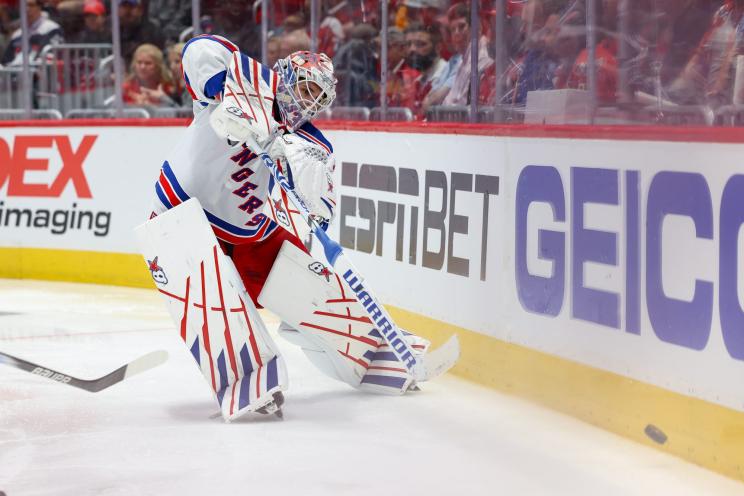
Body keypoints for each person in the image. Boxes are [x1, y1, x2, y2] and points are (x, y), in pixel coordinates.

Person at [146, 34, 433, 418]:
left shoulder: (312, 146)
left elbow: (318, 209)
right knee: (212, 296)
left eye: (318, 95)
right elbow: (198, 49)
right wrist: (226, 94)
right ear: (286, 75)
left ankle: (373, 353)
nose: (307, 100)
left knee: (309, 285)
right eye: (305, 87)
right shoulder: (247, 81)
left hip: (248, 226)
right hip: (179, 210)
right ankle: (245, 381)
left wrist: (302, 189)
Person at [1, 0, 63, 66]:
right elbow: (5, 62)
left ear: (40, 7)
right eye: (24, 6)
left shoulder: (52, 28)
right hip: (16, 74)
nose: (27, 9)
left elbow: (52, 56)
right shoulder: (17, 35)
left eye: (31, 5)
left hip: (41, 73)